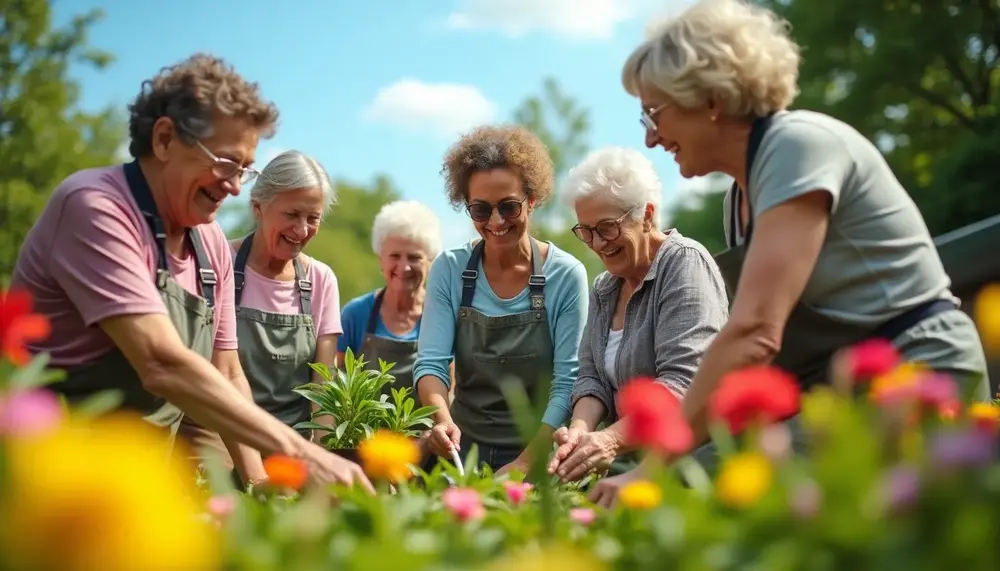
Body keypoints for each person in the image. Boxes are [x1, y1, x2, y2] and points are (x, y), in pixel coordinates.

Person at [590, 0, 991, 503]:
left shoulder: (796, 146)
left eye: (654, 112)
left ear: (710, 98)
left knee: (693, 487)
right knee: (701, 470)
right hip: (843, 391)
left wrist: (649, 468)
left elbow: (756, 331)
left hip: (921, 372)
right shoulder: (742, 193)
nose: (650, 137)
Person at [10, 54, 373, 492]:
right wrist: (303, 453)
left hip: (136, 480)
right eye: (225, 163)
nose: (236, 186)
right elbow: (161, 363)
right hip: (47, 473)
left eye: (244, 169)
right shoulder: (97, 209)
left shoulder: (210, 242)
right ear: (164, 139)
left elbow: (228, 372)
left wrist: (260, 483)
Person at [414, 124, 591, 475]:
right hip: (461, 452)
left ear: (532, 199)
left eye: (508, 207)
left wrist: (524, 465)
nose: (495, 221)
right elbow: (431, 365)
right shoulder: (449, 269)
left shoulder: (566, 275)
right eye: (480, 210)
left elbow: (567, 380)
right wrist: (442, 421)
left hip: (539, 453)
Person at [546, 147, 729, 484]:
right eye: (585, 231)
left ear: (646, 215)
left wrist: (610, 440)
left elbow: (685, 380)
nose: (597, 244)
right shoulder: (605, 287)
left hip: (685, 466)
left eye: (607, 228)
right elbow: (591, 378)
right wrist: (579, 433)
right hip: (629, 466)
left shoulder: (684, 263)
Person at [178, 150, 342, 469]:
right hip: (217, 430)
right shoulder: (217, 263)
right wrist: (257, 475)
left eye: (313, 218)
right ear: (258, 207)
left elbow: (323, 387)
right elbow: (217, 374)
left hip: (289, 436)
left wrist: (322, 459)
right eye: (292, 214)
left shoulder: (321, 280)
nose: (302, 229)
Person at [339, 200, 442, 401]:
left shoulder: (442, 315)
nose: (404, 267)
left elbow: (451, 387)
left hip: (426, 432)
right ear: (380, 260)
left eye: (414, 257)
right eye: (394, 256)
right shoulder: (355, 314)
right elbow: (336, 382)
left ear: (430, 262)